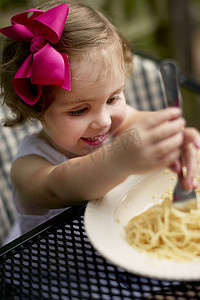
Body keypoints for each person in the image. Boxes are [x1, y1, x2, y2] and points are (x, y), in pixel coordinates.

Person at [0, 0, 199, 239]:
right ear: (37, 110)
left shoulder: (114, 123)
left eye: (113, 98)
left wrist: (175, 137)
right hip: (57, 269)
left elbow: (146, 124)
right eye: (79, 111)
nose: (104, 121)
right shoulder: (29, 165)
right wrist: (119, 159)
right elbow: (60, 184)